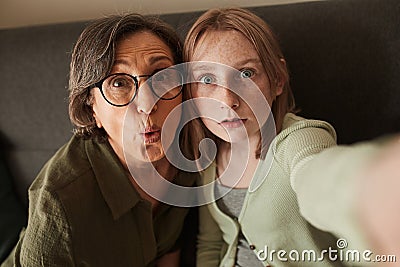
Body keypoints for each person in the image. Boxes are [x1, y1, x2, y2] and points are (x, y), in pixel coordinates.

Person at [182, 7, 390, 267]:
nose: (227, 100)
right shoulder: (208, 156)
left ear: (277, 80)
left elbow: (317, 175)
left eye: (246, 74)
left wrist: (374, 188)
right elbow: (211, 243)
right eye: (208, 79)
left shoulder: (300, 139)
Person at [2, 13, 197, 267]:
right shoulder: (60, 201)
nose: (148, 104)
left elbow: (169, 249)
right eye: (118, 82)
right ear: (92, 108)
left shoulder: (188, 156)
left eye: (162, 75)